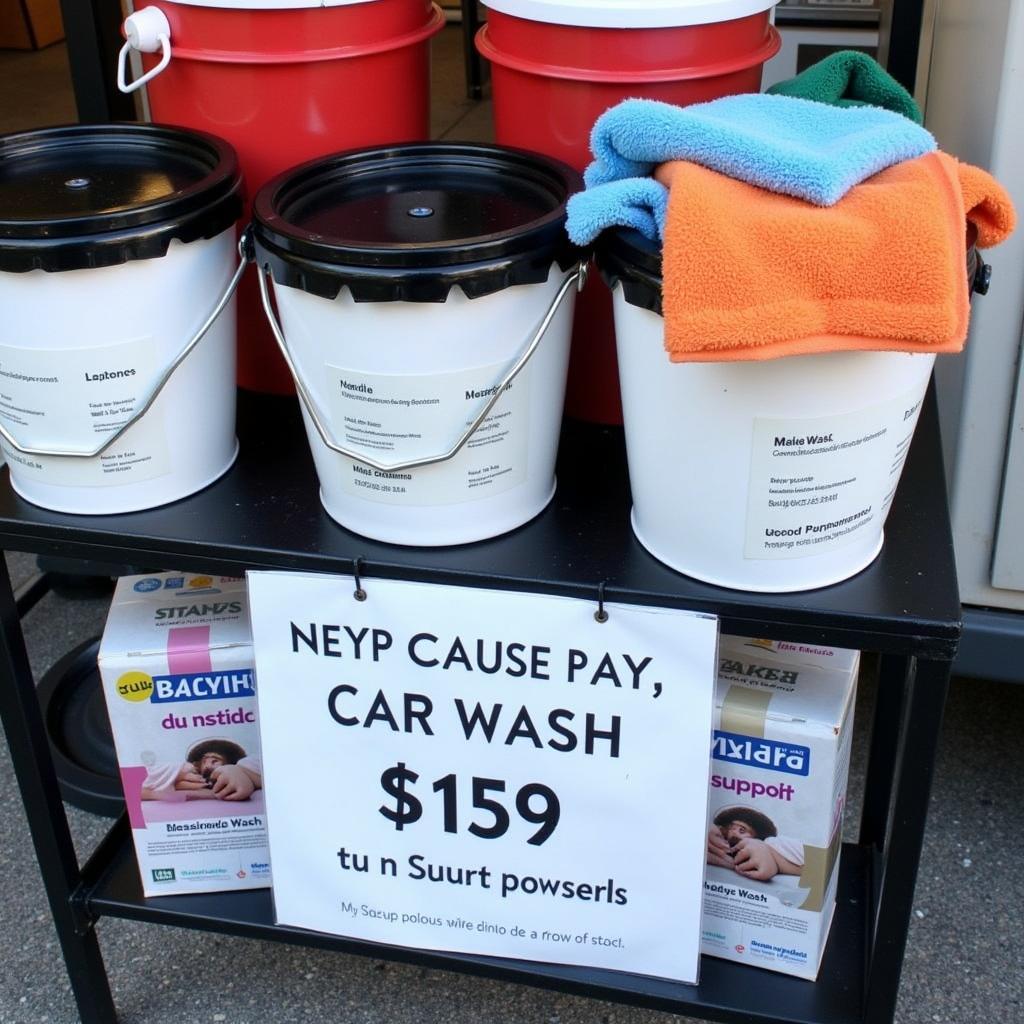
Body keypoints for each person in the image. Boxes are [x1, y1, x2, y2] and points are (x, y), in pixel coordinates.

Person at [141, 739, 262, 802]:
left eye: (215, 761)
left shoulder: (246, 765)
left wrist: (240, 771)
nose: (208, 766)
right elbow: (135, 787)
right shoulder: (187, 779)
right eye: (203, 762)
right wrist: (170, 775)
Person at [706, 805, 803, 881]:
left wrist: (770, 853)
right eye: (727, 831)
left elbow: (816, 863)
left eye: (742, 830)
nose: (733, 833)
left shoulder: (773, 842)